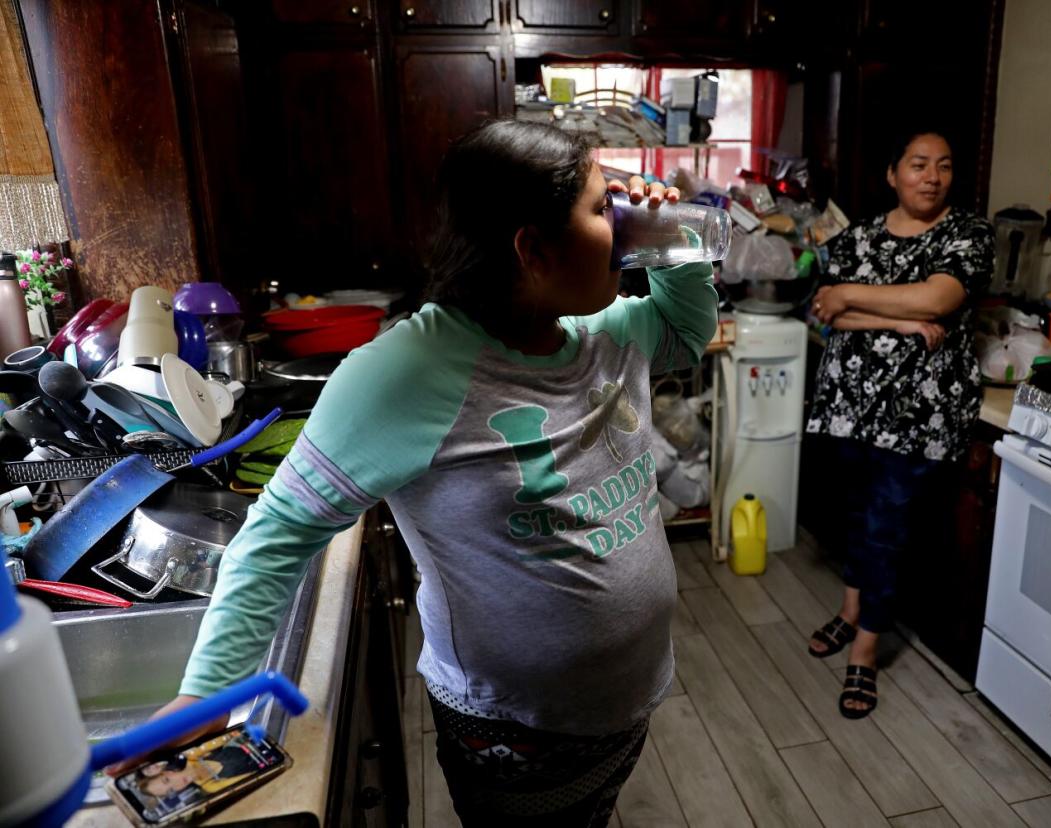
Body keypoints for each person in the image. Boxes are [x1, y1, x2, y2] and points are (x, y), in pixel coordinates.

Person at [109, 119, 718, 827]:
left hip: (628, 701)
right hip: (516, 732)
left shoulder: (609, 330)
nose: (627, 224)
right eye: (604, 209)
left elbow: (685, 331)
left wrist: (678, 239)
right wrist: (206, 693)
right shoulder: (410, 371)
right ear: (532, 248)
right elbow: (276, 536)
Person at [804, 127, 994, 720]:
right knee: (859, 514)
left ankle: (864, 651)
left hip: (921, 410)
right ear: (893, 173)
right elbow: (825, 311)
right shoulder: (858, 235)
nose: (931, 176)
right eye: (917, 164)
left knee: (888, 525)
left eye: (943, 165)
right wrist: (897, 320)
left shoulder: (968, 235)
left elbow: (938, 300)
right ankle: (852, 609)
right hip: (849, 402)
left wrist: (859, 300)